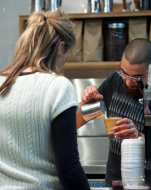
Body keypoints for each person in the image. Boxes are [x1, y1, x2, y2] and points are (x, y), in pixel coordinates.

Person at [0, 11, 90, 190]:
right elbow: (69, 170)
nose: (64, 62)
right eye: (66, 55)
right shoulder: (58, 87)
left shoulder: (2, 83)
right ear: (60, 48)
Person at [77, 38, 151, 187]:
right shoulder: (114, 81)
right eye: (125, 73)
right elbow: (75, 123)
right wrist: (85, 103)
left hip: (150, 183)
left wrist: (139, 137)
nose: (128, 82)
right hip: (115, 181)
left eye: (137, 78)